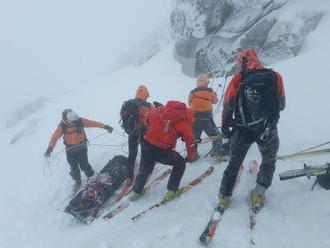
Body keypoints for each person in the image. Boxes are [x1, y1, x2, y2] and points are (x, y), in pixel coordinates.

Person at [218, 48, 285, 212]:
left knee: (234, 163)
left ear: (241, 62)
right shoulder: (275, 77)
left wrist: (226, 130)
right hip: (267, 129)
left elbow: (227, 107)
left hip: (243, 130)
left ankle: (224, 197)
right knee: (268, 161)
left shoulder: (238, 79)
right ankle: (258, 194)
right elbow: (281, 105)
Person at [130, 101, 198, 201]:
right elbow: (191, 141)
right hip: (162, 150)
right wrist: (191, 156)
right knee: (180, 163)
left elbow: (149, 120)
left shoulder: (159, 111)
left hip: (146, 145)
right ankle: (171, 192)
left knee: (144, 168)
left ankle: (136, 192)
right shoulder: (182, 122)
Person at [44, 109, 113, 192]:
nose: (76, 122)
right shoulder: (62, 126)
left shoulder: (80, 121)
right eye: (74, 121)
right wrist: (50, 149)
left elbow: (93, 123)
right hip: (70, 149)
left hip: (82, 147)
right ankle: (77, 181)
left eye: (76, 120)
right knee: (73, 166)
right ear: (68, 120)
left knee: (84, 164)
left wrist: (105, 126)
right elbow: (54, 138)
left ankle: (91, 176)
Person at [65, 155, 130, 224]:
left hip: (107, 180)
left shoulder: (121, 166)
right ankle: (83, 208)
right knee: (95, 191)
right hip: (107, 180)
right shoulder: (123, 167)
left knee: (96, 192)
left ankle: (80, 207)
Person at [120, 85, 155, 184]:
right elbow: (156, 116)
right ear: (145, 94)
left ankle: (129, 177)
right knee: (144, 154)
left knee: (132, 154)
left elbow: (122, 115)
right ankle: (141, 175)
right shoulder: (148, 105)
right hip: (144, 133)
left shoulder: (126, 103)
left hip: (131, 132)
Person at [188, 74, 225, 161]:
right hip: (207, 119)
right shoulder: (210, 92)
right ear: (206, 83)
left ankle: (193, 155)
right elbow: (215, 101)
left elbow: (189, 103)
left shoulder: (192, 93)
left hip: (194, 119)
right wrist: (212, 96)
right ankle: (216, 154)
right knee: (216, 136)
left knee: (194, 138)